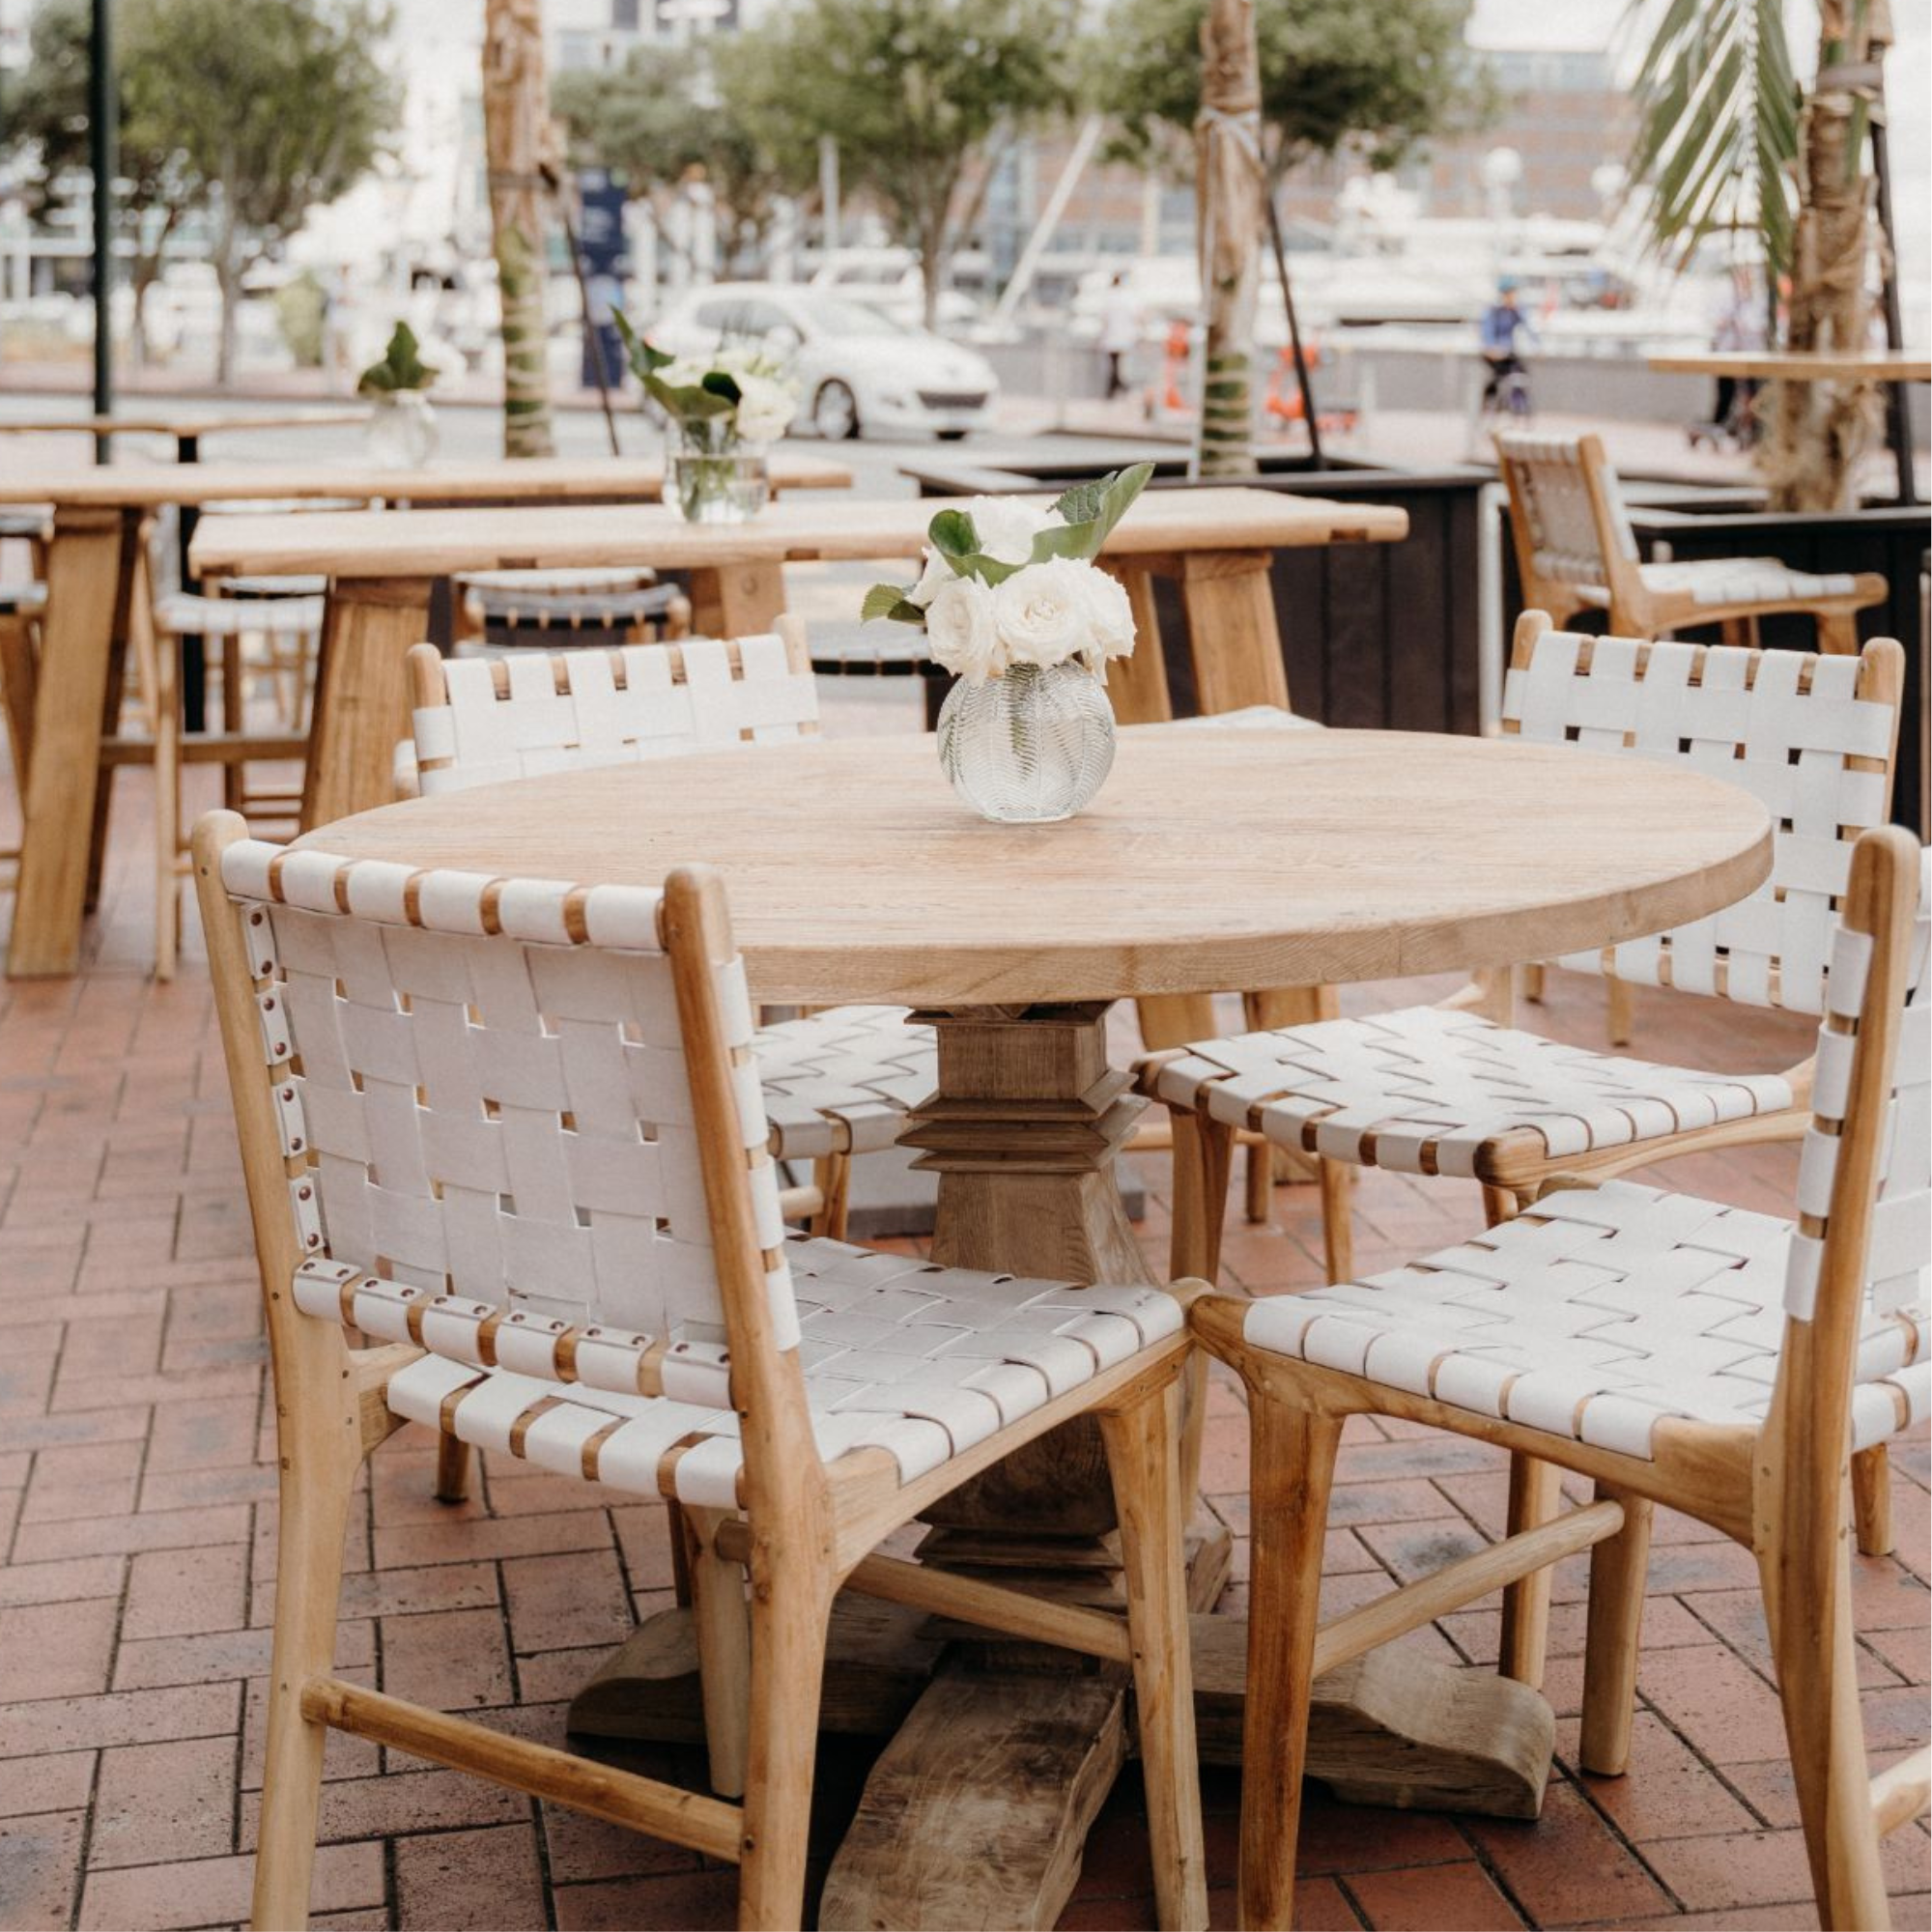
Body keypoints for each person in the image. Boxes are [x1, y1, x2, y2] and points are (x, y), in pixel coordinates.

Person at [1477, 276, 1534, 413]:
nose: (1512, 297)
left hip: (1509, 352)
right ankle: (1488, 401)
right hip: (1493, 352)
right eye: (1509, 293)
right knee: (1497, 375)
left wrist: (1537, 345)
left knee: (1521, 371)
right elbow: (1487, 331)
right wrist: (1491, 348)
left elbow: (1528, 327)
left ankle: (1519, 403)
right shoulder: (1493, 311)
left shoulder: (1515, 311)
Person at [1099, 270, 1141, 402]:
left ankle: (1116, 389)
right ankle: (1121, 388)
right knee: (1118, 365)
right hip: (1124, 336)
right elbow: (1136, 315)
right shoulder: (1126, 297)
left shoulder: (1109, 297)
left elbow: (1104, 318)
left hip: (1113, 336)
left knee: (1115, 365)